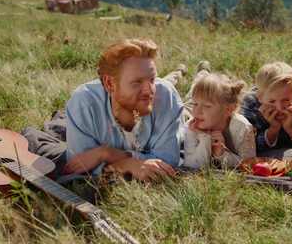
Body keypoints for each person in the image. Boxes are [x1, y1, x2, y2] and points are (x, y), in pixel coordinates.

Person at [24, 38, 185, 182]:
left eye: (152, 79)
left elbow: (167, 162)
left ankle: (181, 72)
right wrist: (129, 162)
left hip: (183, 113)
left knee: (197, 102)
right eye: (137, 82)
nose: (149, 90)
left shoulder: (166, 96)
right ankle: (178, 72)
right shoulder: (83, 103)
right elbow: (80, 168)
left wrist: (113, 157)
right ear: (109, 84)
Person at [240, 62, 292, 158]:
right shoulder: (251, 104)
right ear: (259, 97)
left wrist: (290, 128)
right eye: (272, 101)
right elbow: (249, 148)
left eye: (286, 100)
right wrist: (273, 129)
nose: (279, 107)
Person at [183, 73, 255, 169]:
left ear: (228, 109)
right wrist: (205, 138)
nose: (197, 111)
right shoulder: (192, 127)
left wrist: (221, 153)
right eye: (195, 104)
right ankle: (197, 72)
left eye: (207, 106)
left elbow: (249, 165)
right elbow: (192, 165)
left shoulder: (242, 128)